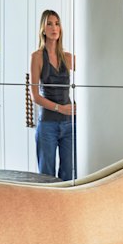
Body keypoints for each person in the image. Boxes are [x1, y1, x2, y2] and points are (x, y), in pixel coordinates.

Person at [30, 9, 76, 181]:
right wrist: (60, 109)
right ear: (43, 29)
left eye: (57, 23)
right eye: (49, 23)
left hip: (70, 124)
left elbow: (91, 75)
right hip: (47, 124)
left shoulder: (68, 57)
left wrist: (79, 106)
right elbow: (35, 96)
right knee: (46, 176)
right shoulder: (36, 57)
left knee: (69, 175)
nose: (54, 27)